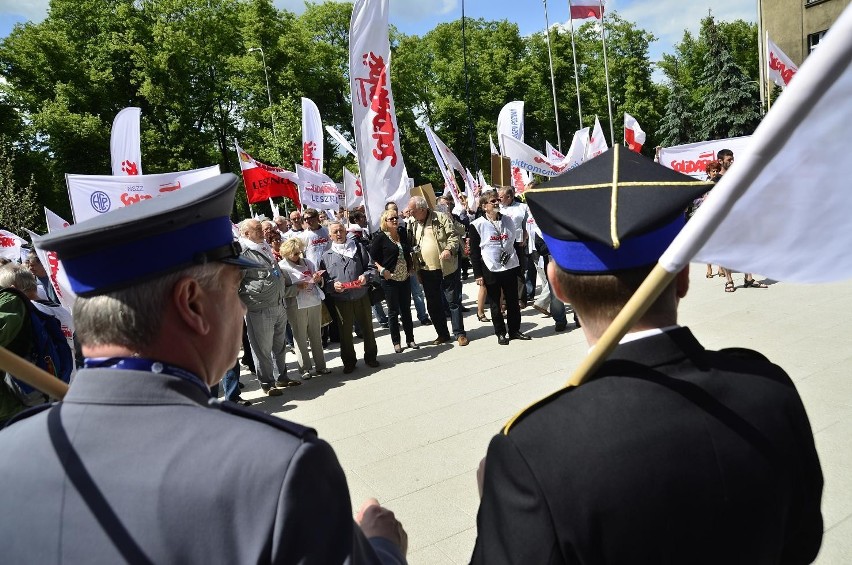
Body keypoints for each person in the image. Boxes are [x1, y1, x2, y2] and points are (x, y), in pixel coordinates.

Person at [0, 174, 407, 563]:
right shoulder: (277, 468)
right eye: (234, 289)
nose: (242, 305)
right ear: (192, 304)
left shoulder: (10, 457)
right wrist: (381, 547)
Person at [471, 147, 822, 564]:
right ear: (684, 276)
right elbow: (803, 541)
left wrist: (501, 512)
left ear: (557, 286)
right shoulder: (768, 390)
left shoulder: (532, 451)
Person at [238, 218, 300, 395]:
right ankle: (267, 384)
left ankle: (282, 377)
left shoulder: (264, 246)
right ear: (246, 233)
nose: (262, 231)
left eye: (261, 228)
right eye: (257, 229)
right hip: (259, 307)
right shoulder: (242, 252)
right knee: (262, 349)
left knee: (279, 345)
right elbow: (236, 282)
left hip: (278, 304)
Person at [405, 196, 468, 347]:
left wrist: (448, 249)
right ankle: (442, 334)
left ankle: (459, 333)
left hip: (446, 268)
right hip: (426, 270)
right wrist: (416, 270)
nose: (409, 213)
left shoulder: (441, 218)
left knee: (453, 301)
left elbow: (453, 237)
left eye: (412, 210)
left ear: (421, 209)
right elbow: (411, 247)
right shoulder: (412, 223)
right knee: (433, 305)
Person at [469, 190, 531, 345]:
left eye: (497, 200)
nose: (496, 202)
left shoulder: (508, 220)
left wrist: (519, 265)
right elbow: (475, 253)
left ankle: (515, 330)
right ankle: (500, 332)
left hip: (510, 266)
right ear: (484, 206)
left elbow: (515, 244)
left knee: (513, 301)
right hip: (491, 268)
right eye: (492, 201)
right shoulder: (477, 225)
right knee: (496, 303)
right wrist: (478, 274)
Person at [320, 222, 380, 374]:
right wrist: (332, 286)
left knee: (367, 328)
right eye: (335, 232)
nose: (339, 234)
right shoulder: (325, 256)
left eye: (341, 230)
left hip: (361, 296)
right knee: (345, 333)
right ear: (330, 236)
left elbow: (371, 268)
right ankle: (348, 361)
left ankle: (371, 357)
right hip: (341, 300)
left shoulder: (358, 248)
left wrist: (366, 277)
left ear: (346, 232)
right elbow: (323, 281)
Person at [278, 237, 330, 379]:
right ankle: (305, 368)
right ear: (286, 253)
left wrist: (319, 279)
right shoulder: (282, 267)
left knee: (316, 336)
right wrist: (297, 287)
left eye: (298, 252)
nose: (297, 256)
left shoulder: (308, 262)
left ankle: (321, 366)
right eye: (294, 253)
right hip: (296, 305)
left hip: (313, 301)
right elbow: (281, 291)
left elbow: (319, 281)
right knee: (300, 337)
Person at [370, 209, 418, 353]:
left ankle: (410, 339)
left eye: (396, 218)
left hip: (404, 277)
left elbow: (407, 251)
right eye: (391, 219)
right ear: (385, 221)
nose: (395, 220)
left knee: (406, 310)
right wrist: (382, 270)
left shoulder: (402, 233)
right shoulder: (380, 237)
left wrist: (411, 265)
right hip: (390, 279)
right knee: (393, 311)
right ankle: (396, 342)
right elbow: (372, 258)